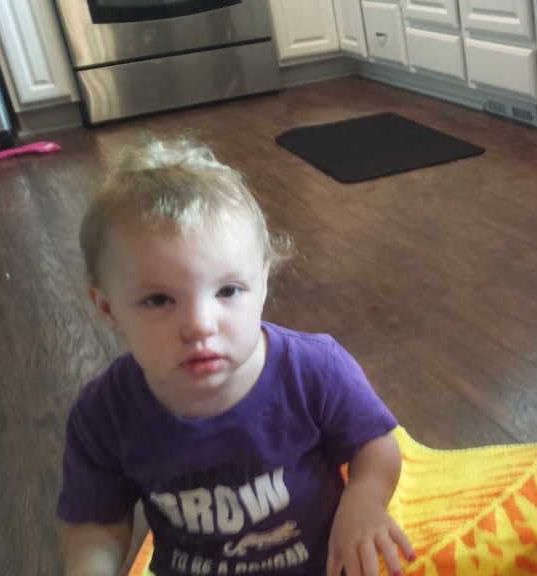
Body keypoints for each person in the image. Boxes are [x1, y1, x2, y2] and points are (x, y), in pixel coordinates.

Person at [57, 136, 414, 576]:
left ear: (263, 281)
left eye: (227, 290)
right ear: (107, 307)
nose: (199, 324)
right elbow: (96, 519)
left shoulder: (316, 370)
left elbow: (375, 445)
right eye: (159, 300)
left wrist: (364, 501)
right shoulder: (105, 414)